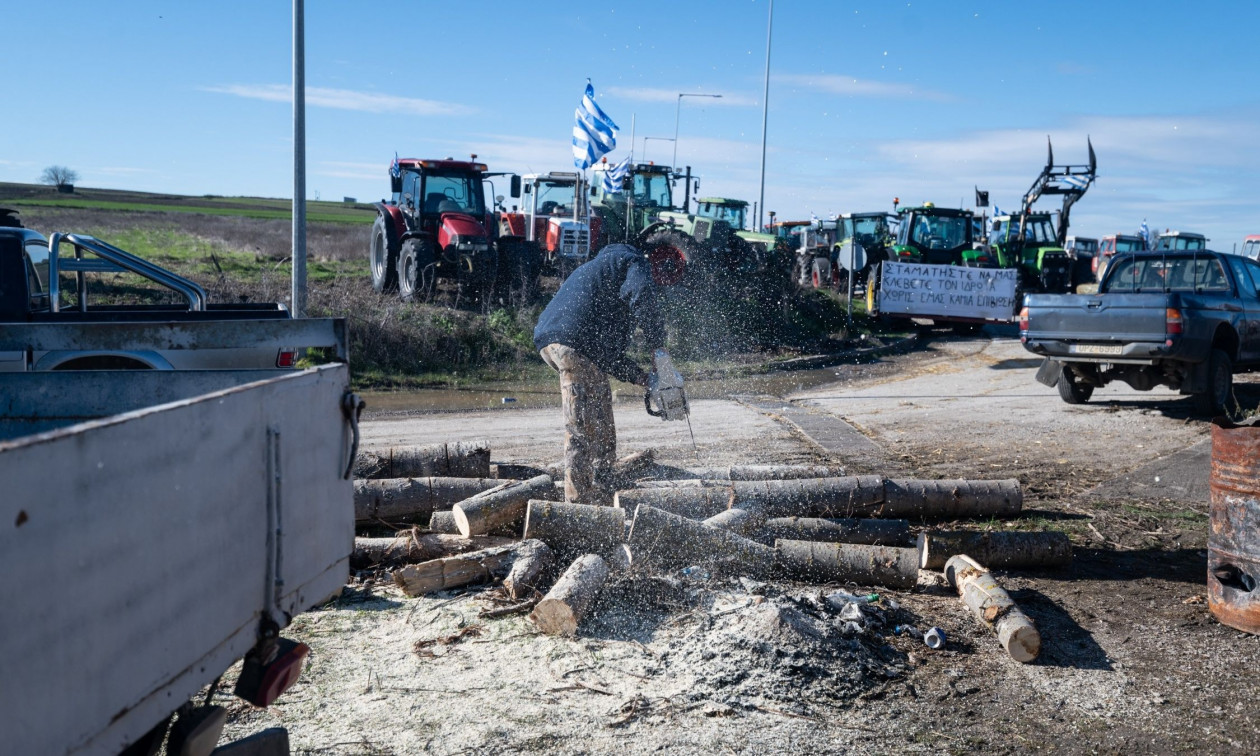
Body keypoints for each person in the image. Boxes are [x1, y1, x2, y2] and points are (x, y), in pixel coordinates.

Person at [533, 242, 681, 506]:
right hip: (572, 344)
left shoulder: (603, 274)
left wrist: (643, 378)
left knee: (600, 419)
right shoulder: (633, 262)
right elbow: (643, 295)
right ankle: (578, 508)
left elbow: (606, 356)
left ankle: (602, 491)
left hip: (555, 341)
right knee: (582, 429)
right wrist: (658, 349)